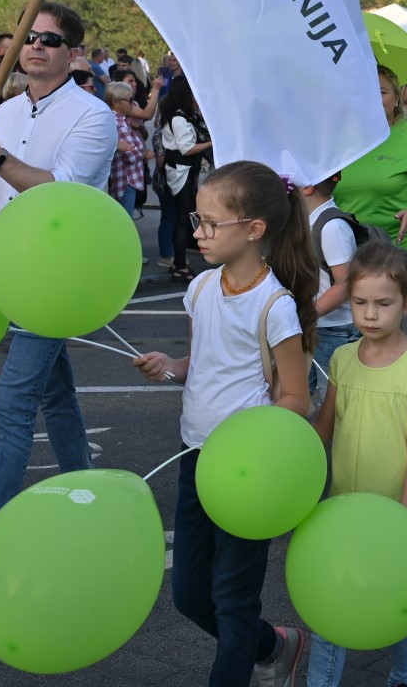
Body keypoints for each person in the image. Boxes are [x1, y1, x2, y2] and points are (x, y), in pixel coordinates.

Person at [0, 3, 118, 593]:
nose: (35, 46)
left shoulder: (93, 115)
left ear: (73, 53)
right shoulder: (4, 112)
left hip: (59, 276)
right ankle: (90, 492)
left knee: (13, 404)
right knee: (54, 395)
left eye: (50, 40)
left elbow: (61, 193)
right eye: (30, 37)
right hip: (9, 271)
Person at [133, 160, 316, 685]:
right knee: (190, 596)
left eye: (211, 223)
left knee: (233, 601)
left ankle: (250, 658)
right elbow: (200, 363)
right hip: (195, 458)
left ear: (254, 229)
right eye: (197, 219)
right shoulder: (200, 288)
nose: (198, 232)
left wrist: (246, 434)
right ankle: (274, 645)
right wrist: (169, 368)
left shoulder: (275, 305)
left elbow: (297, 399)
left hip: (245, 471)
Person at [307, 241, 407, 687]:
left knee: (403, 606)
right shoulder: (342, 359)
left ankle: (405, 678)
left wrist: (404, 518)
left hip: (399, 516)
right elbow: (324, 428)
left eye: (383, 304)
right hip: (344, 512)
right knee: (331, 605)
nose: (369, 314)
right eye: (359, 302)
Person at [337, 66, 407, 292]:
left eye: (381, 92)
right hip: (344, 252)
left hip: (400, 253)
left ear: (397, 98)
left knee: (380, 314)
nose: (372, 97)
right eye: (364, 90)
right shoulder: (338, 137)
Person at [298, 173, 359, 376]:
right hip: (314, 324)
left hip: (335, 329)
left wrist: (308, 314)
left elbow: (345, 283)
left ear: (307, 187)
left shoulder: (332, 227)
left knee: (332, 392)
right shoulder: (307, 220)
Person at [159, 77, 214, 282]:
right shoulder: (179, 118)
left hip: (187, 170)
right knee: (183, 218)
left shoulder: (187, 114)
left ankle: (179, 263)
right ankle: (179, 265)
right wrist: (212, 143)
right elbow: (187, 148)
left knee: (185, 216)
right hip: (181, 170)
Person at [107, 82, 147, 219]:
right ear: (116, 102)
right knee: (124, 221)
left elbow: (132, 147)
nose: (132, 103)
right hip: (125, 182)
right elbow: (131, 155)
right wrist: (143, 153)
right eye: (130, 100)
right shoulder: (117, 122)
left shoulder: (121, 119)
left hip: (125, 181)